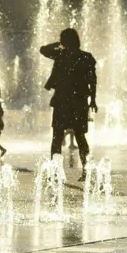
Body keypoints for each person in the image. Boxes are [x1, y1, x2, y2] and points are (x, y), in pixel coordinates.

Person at [40, 28, 98, 181]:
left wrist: (59, 43)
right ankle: (86, 170)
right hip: (79, 101)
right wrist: (92, 99)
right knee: (80, 136)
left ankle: (55, 172)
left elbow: (43, 50)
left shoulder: (60, 54)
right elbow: (93, 81)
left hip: (62, 100)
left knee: (57, 137)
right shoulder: (86, 57)